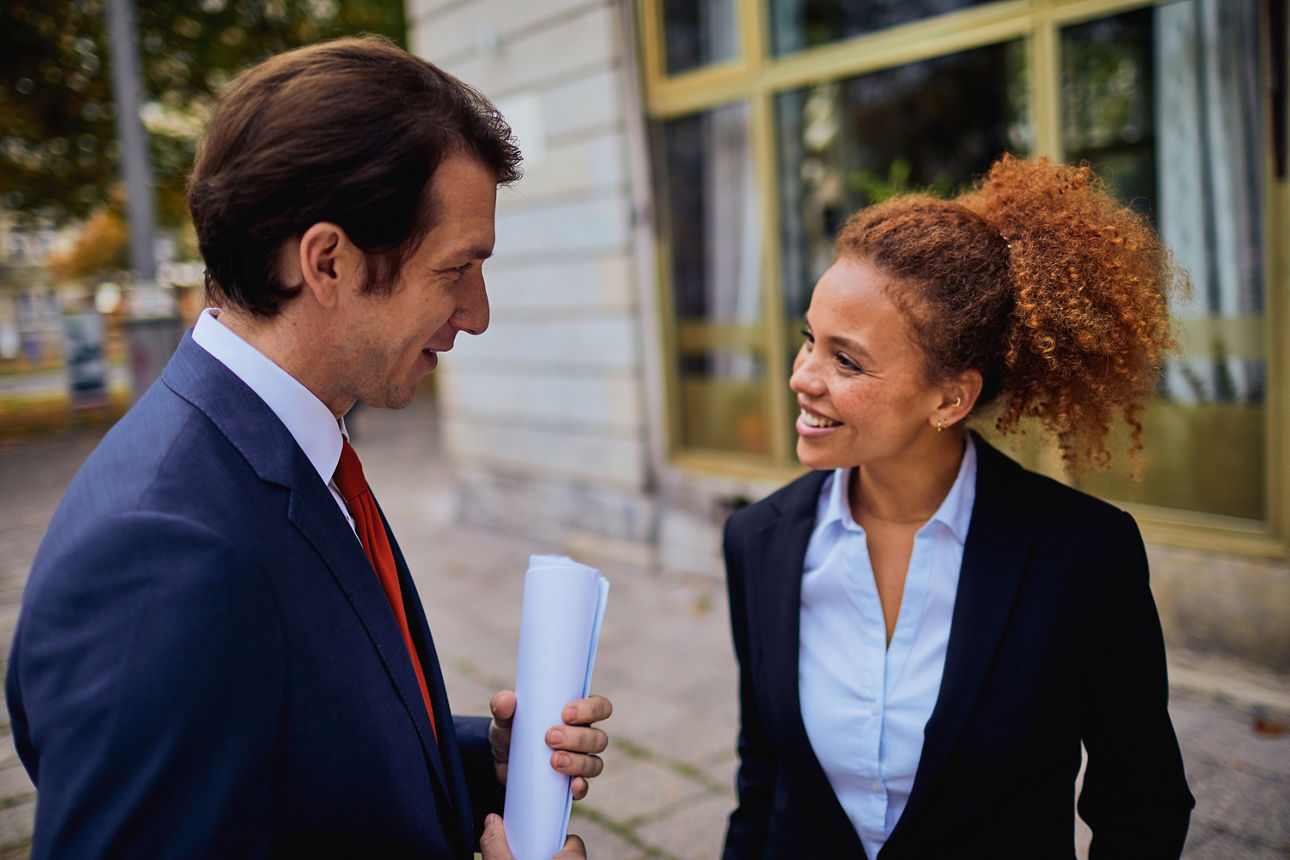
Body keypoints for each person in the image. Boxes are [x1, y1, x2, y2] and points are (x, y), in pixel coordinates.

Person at [7, 37, 609, 860]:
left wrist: (485, 762)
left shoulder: (290, 446)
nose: (478, 311)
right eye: (456, 268)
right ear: (327, 261)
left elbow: (297, 751)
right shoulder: (160, 557)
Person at [721, 155, 1195, 858]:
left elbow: (1142, 802)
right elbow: (762, 777)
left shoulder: (1083, 557)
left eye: (846, 361)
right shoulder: (758, 540)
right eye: (808, 340)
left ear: (951, 398)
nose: (802, 377)